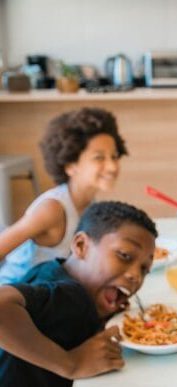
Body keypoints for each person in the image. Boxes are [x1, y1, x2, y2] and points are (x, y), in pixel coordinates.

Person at [0, 200, 156, 387]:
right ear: (81, 245)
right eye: (124, 255)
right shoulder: (70, 296)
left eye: (145, 269)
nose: (135, 275)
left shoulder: (54, 272)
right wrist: (70, 363)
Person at [0, 107, 128, 284]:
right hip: (13, 298)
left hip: (46, 295)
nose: (113, 166)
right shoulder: (52, 209)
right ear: (70, 165)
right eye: (99, 158)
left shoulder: (89, 204)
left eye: (114, 157)